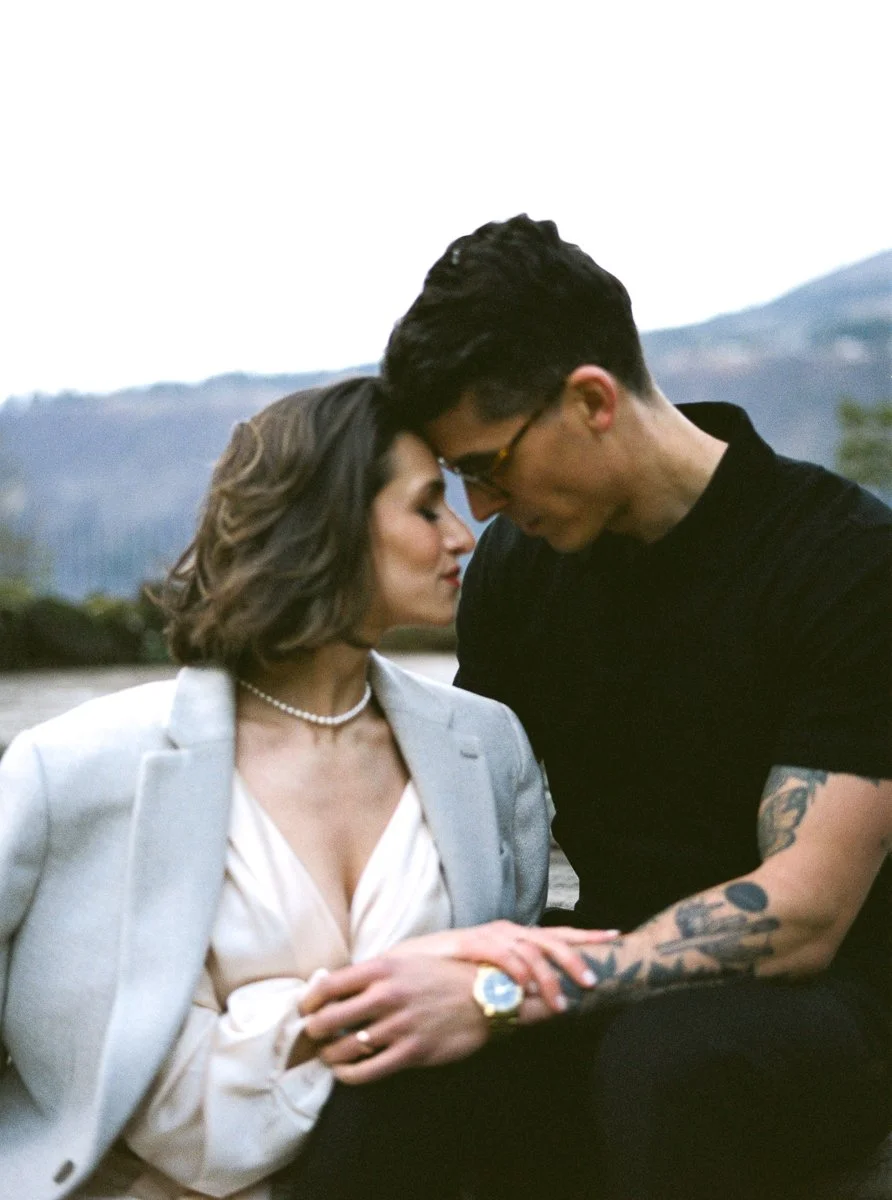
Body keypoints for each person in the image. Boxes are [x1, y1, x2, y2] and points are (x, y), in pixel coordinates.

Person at [300, 217, 892, 1200]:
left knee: (667, 1068)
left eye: (488, 464)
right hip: (596, 974)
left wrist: (498, 994)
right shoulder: (518, 574)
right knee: (383, 1085)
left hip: (825, 1010)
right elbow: (467, 822)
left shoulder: (846, 563)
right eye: (457, 479)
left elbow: (802, 914)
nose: (479, 508)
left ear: (589, 401)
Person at [0, 376, 596, 1200]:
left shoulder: (486, 748)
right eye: (427, 508)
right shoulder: (77, 769)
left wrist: (270, 1020)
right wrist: (395, 1010)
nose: (463, 536)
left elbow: (490, 1011)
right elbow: (161, 1100)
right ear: (330, 525)